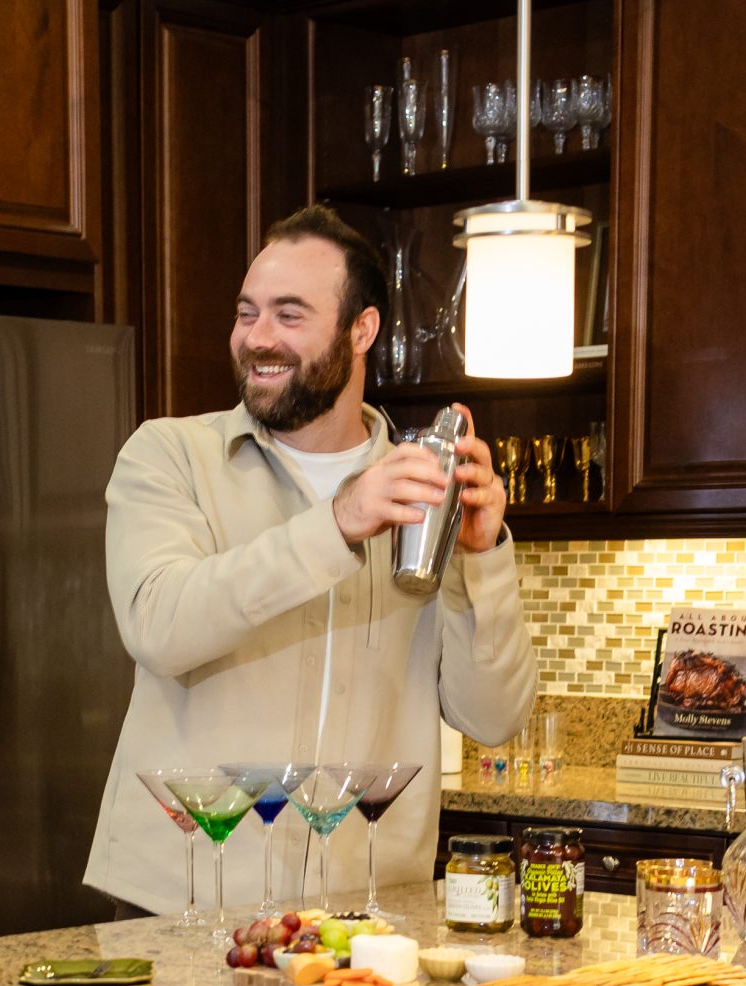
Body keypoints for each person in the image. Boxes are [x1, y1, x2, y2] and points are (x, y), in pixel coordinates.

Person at [84, 203, 537, 914]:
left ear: (361, 330)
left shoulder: (424, 489)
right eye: (246, 312)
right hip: (180, 905)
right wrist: (339, 522)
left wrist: (480, 559)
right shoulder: (169, 455)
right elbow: (158, 627)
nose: (256, 338)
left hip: (364, 912)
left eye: (288, 315)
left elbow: (493, 718)